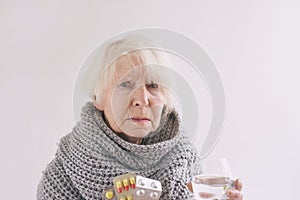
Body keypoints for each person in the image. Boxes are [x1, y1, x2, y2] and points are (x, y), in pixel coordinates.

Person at [37, 35, 243, 200]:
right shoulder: (62, 177)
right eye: (125, 84)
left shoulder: (186, 160)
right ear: (98, 98)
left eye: (153, 85)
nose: (142, 100)